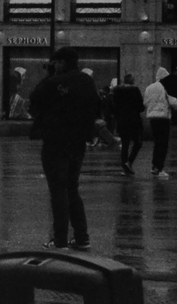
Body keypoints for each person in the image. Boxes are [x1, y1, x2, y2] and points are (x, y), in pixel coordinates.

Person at [29, 47, 102, 250]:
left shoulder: (53, 82)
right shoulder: (86, 81)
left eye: (56, 62)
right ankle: (81, 237)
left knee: (58, 190)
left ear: (60, 63)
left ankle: (59, 240)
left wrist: (49, 76)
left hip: (55, 140)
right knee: (72, 188)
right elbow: (95, 107)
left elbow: (34, 101)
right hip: (78, 142)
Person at [142, 67, 177, 180]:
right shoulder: (167, 87)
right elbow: (173, 103)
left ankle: (154, 166)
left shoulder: (149, 88)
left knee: (157, 143)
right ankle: (160, 168)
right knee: (163, 143)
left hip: (152, 118)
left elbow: (145, 102)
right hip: (163, 118)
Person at [112, 74, 146, 176]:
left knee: (125, 144)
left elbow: (114, 107)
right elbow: (141, 107)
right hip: (134, 121)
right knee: (137, 142)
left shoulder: (117, 91)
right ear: (132, 81)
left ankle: (124, 167)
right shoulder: (135, 90)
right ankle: (129, 162)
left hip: (122, 121)